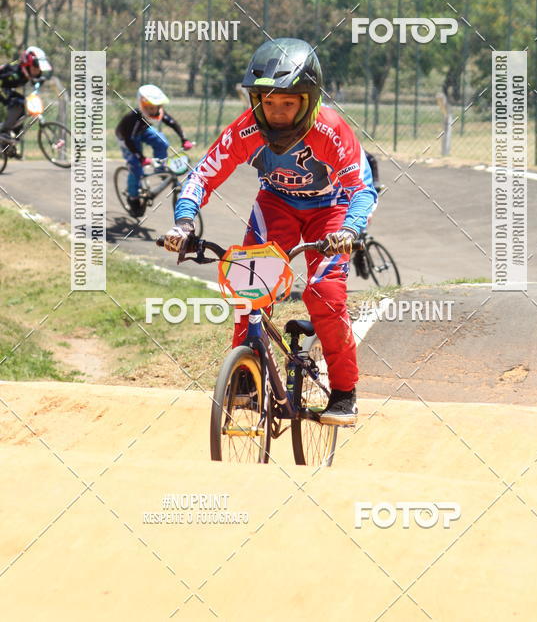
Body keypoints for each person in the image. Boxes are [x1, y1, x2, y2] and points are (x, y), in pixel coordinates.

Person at [161, 38, 378, 425]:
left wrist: (350, 228)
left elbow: (363, 189)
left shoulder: (330, 129)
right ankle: (246, 376)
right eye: (267, 102)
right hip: (277, 204)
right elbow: (202, 176)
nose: (276, 113)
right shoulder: (247, 128)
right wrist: (184, 221)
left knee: (324, 294)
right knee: (249, 287)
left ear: (309, 101)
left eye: (288, 103)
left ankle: (345, 392)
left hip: (333, 209)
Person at [115, 84, 193, 218]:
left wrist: (184, 139)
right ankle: (133, 197)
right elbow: (128, 141)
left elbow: (172, 123)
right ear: (142, 105)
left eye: (156, 107)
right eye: (149, 108)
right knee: (136, 167)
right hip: (127, 138)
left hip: (143, 131)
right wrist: (141, 158)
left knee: (162, 142)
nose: (153, 111)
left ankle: (160, 168)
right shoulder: (133, 119)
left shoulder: (158, 112)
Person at [0, 46, 53, 155]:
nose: (38, 71)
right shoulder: (14, 73)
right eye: (36, 67)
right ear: (27, 65)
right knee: (17, 103)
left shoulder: (26, 73)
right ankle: (4, 132)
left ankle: (9, 141)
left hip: (6, 88)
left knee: (23, 107)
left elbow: (33, 80)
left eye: (40, 68)